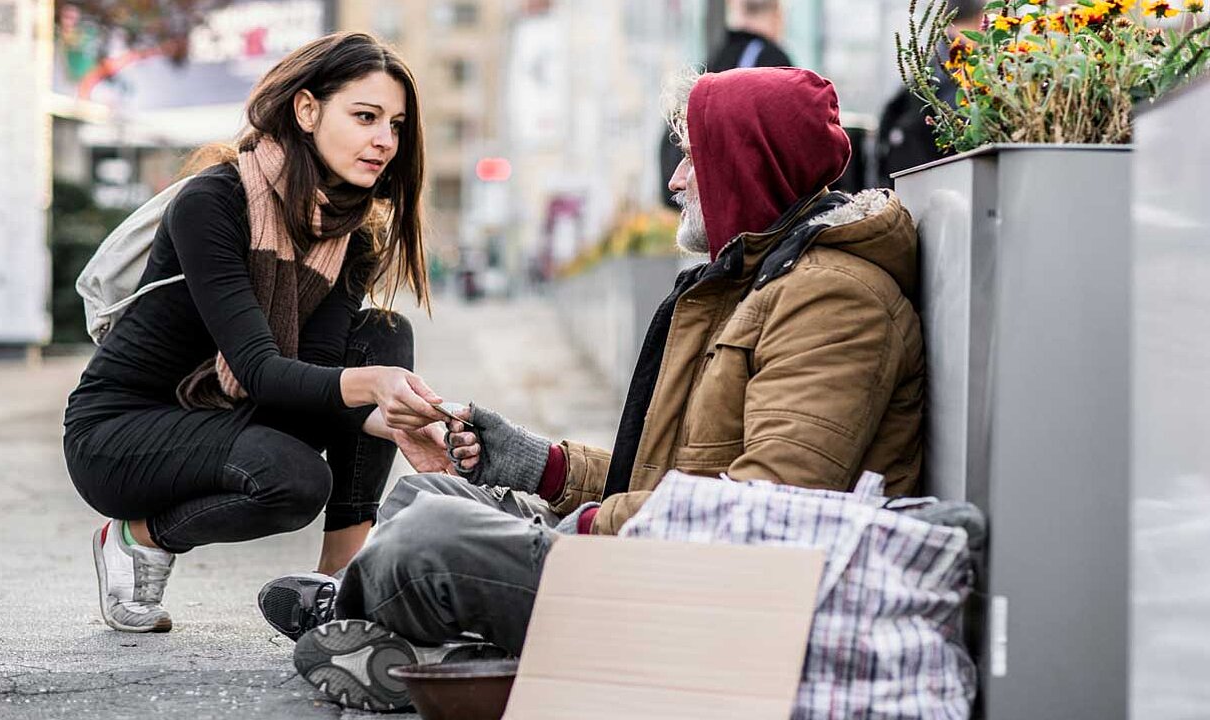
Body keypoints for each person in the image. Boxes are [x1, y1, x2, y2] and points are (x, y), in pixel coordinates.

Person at [267, 66, 926, 712]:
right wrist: (541, 465)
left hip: (716, 605)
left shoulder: (835, 299)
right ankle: (440, 650)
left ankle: (378, 623)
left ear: (748, 162)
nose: (675, 179)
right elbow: (672, 479)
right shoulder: (761, 281)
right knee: (424, 493)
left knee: (428, 536)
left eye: (692, 157)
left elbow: (766, 510)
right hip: (670, 566)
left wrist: (585, 526)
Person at [63, 32, 473, 634]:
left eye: (396, 124)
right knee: (294, 478)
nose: (384, 140)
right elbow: (260, 369)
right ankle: (137, 539)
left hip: (236, 413)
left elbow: (319, 370)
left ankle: (341, 576)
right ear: (307, 111)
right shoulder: (213, 202)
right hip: (121, 433)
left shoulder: (349, 235)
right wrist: (376, 388)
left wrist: (410, 420)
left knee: (383, 334)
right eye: (365, 116)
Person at [659, 0, 794, 209]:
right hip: (738, 209)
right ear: (779, 15)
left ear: (734, 8)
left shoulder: (717, 59)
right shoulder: (773, 62)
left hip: (699, 206)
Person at [874, 0, 986, 187]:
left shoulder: (931, 63)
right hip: (947, 181)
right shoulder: (960, 65)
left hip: (916, 181)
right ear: (981, 18)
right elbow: (966, 127)